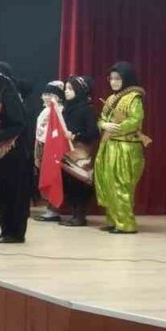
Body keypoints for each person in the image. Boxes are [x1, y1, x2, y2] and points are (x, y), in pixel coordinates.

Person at [0, 62, 32, 243]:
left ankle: (16, 233)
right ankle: (5, 230)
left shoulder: (9, 96)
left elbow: (19, 125)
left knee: (14, 193)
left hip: (14, 153)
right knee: (1, 192)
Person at [95, 61, 148, 234]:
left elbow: (135, 121)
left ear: (126, 78)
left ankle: (126, 224)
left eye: (117, 78)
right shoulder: (111, 99)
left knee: (121, 185)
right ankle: (114, 221)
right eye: (111, 79)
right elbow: (101, 119)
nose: (113, 82)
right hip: (109, 145)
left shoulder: (134, 98)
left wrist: (115, 127)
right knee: (108, 184)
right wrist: (104, 125)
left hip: (126, 147)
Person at [59, 76, 98, 227]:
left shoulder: (87, 110)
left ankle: (80, 216)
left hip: (82, 152)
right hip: (67, 152)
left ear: (79, 90)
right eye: (65, 89)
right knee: (69, 183)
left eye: (70, 89)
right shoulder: (66, 109)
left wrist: (76, 136)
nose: (66, 92)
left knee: (80, 183)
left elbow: (94, 133)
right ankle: (74, 214)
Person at [32, 81, 67, 222]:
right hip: (42, 147)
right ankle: (49, 207)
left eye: (50, 94)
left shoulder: (60, 111)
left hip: (53, 150)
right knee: (43, 176)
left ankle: (54, 209)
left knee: (53, 177)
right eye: (45, 94)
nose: (46, 97)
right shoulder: (44, 111)